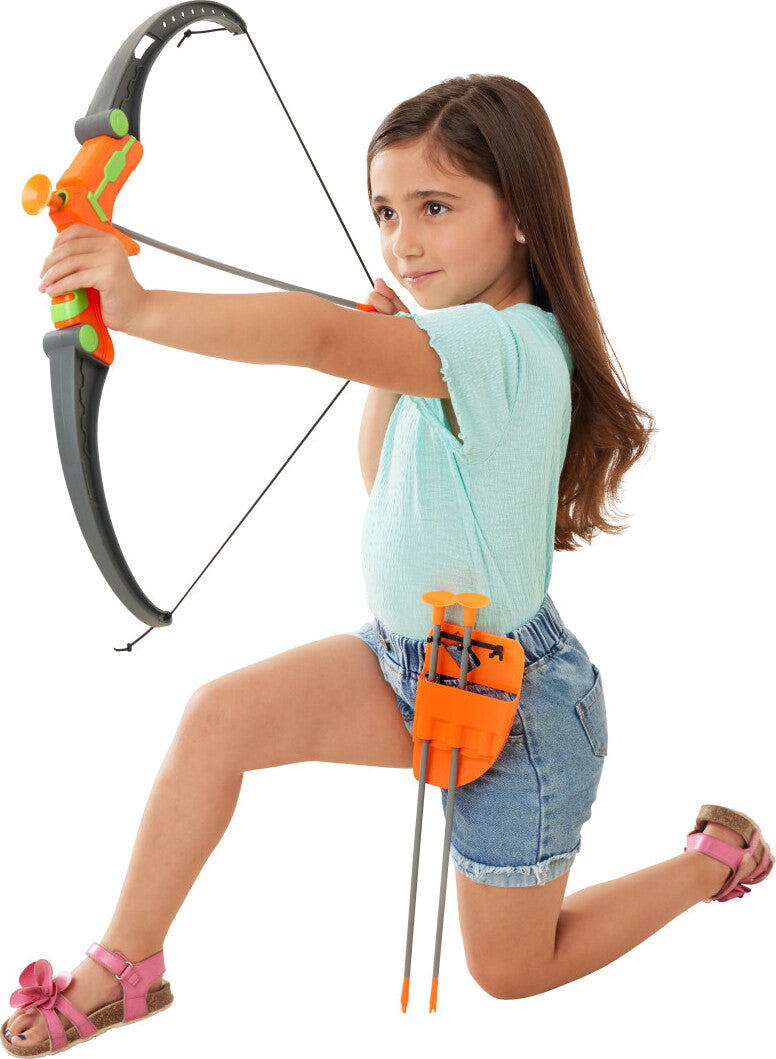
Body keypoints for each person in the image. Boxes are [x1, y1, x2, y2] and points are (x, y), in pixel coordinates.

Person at [3, 74, 771, 1054]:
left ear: (522, 215)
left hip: (520, 701)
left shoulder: (507, 347)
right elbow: (383, 480)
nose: (402, 242)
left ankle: (715, 856)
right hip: (410, 661)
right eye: (384, 211)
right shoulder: (449, 346)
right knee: (217, 717)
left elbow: (318, 338)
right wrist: (386, 356)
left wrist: (143, 307)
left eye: (435, 209)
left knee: (509, 971)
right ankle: (127, 969)